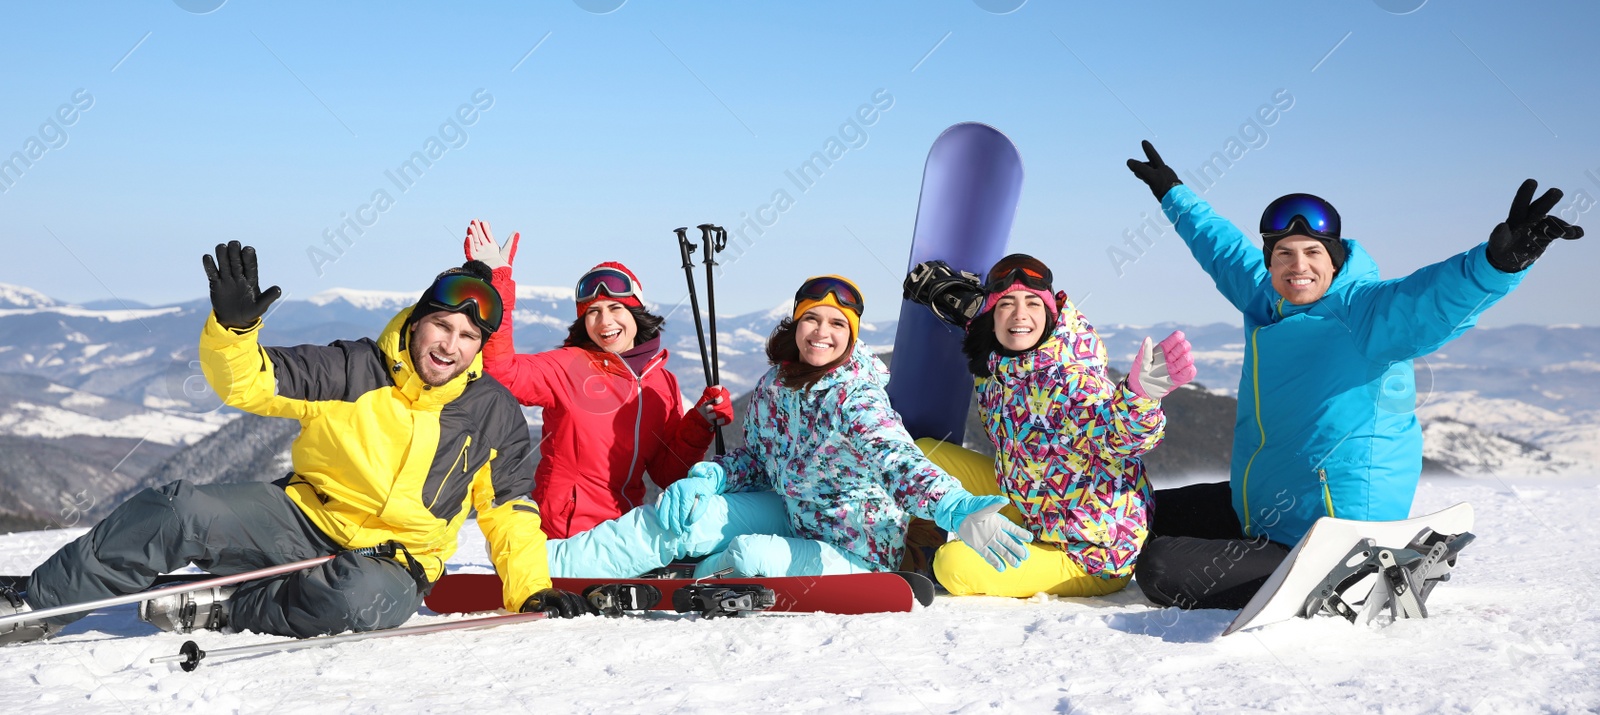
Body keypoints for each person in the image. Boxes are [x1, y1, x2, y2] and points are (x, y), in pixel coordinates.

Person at [0, 242, 587, 647]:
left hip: (393, 560)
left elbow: (509, 511)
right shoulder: (352, 367)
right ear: (417, 321)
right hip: (303, 518)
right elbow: (249, 384)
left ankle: (231, 605)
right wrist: (233, 332)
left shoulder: (494, 414)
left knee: (360, 605)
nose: (450, 345)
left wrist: (530, 590)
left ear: (479, 346)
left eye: (467, 336)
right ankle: (40, 602)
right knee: (181, 509)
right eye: (441, 325)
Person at [1124, 142, 1585, 610]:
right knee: (1135, 512)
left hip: (1336, 533)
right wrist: (1172, 193)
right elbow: (1222, 249)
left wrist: (1496, 265)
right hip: (1269, 506)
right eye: (1284, 253)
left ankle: (1364, 575)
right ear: (1271, 260)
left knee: (1160, 569)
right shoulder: (1268, 298)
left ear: (1335, 257)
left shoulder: (1365, 312)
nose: (1297, 266)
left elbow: (1431, 301)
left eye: (1311, 252)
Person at [652, 275, 1033, 578]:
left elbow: (899, 462)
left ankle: (699, 581)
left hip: (860, 549)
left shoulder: (855, 398)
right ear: (796, 325)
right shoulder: (776, 385)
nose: (822, 332)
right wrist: (711, 476)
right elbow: (758, 459)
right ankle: (688, 569)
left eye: (837, 323)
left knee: (747, 554)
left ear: (851, 335)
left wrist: (955, 507)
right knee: (702, 524)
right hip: (801, 524)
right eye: (812, 319)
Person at [904, 254, 1194, 599]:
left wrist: (1139, 397)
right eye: (1006, 304)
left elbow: (1121, 435)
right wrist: (957, 301)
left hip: (1088, 552)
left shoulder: (1070, 380)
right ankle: (919, 543)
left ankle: (930, 560)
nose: (1019, 315)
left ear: (1050, 315)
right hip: (1030, 504)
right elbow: (992, 322)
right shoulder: (1001, 362)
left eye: (1032, 304)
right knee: (922, 455)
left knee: (953, 566)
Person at [463, 220, 732, 541]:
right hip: (562, 535)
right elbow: (501, 374)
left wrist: (701, 422)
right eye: (593, 312)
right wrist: (496, 283)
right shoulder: (569, 365)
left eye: (616, 308)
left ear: (636, 314)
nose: (605, 322)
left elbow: (666, 472)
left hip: (625, 533)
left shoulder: (663, 383)